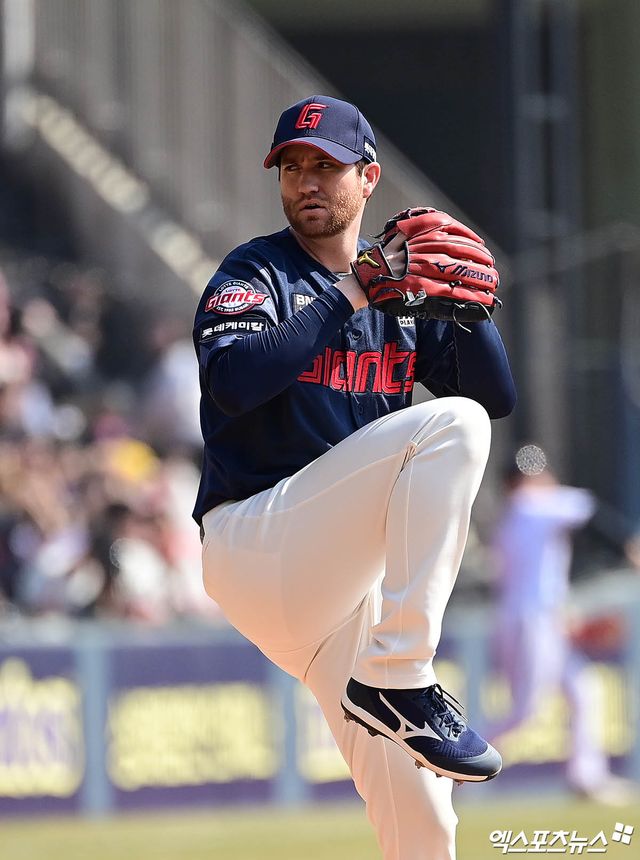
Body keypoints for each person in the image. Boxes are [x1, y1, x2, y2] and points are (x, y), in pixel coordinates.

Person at [193, 95, 516, 860]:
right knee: (450, 427)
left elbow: (497, 397)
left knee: (425, 820)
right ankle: (401, 674)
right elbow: (234, 380)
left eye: (326, 167)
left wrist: (471, 310)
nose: (307, 181)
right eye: (292, 167)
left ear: (368, 178)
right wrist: (352, 292)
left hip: (339, 590)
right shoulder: (255, 272)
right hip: (258, 537)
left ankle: (392, 686)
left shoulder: (395, 291)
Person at [489, 452, 636, 803]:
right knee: (525, 713)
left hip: (530, 618)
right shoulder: (535, 504)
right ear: (529, 479)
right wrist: (630, 550)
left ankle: (587, 777)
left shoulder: (510, 519)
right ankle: (444, 760)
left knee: (585, 691)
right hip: (534, 622)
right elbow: (591, 512)